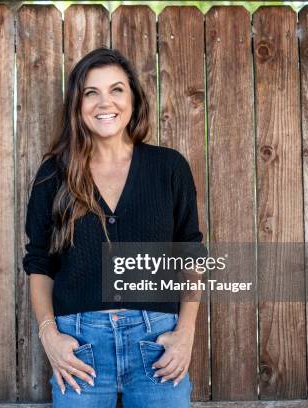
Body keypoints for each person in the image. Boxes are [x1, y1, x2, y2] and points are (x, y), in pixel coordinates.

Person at [23, 47, 206, 408]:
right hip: (79, 349)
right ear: (78, 104)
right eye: (91, 92)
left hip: (157, 344)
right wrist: (50, 337)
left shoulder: (168, 167)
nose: (104, 102)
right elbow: (39, 262)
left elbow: (190, 253)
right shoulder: (53, 175)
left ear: (133, 99)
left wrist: (185, 333)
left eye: (116, 89)